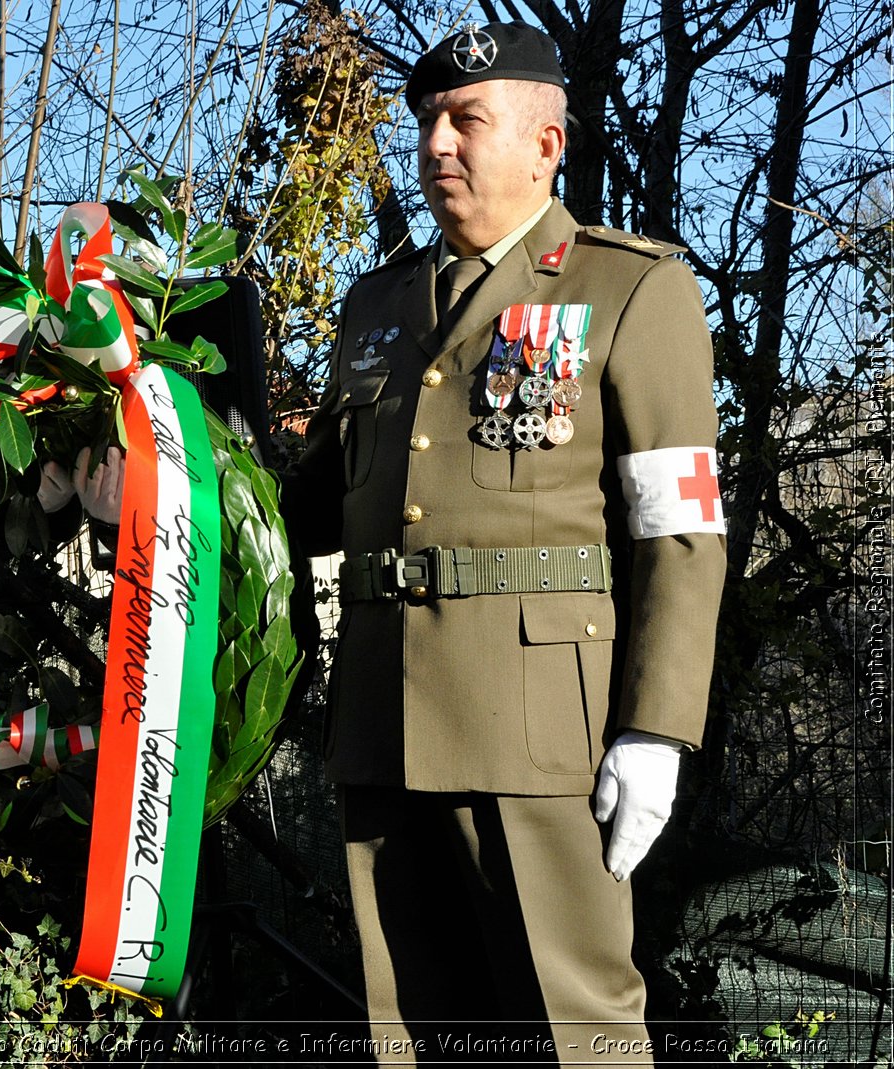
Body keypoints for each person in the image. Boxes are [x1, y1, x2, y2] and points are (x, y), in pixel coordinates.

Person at [283, 22, 726, 1061]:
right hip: (385, 722)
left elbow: (678, 530)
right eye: (426, 120)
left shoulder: (627, 286)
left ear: (545, 142)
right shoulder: (378, 305)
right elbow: (314, 503)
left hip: (542, 736)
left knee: (572, 1032)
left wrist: (655, 727)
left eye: (464, 119)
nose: (436, 143)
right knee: (416, 1030)